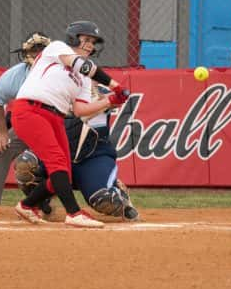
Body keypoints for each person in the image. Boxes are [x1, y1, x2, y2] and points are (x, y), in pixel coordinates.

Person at [10, 20, 128, 228]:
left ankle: (27, 205)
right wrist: (115, 86)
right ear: (74, 37)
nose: (91, 45)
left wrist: (110, 100)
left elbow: (81, 111)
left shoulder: (83, 80)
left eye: (94, 42)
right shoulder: (57, 48)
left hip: (56, 117)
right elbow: (83, 65)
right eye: (87, 39)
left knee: (64, 170)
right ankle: (73, 213)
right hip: (31, 109)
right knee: (56, 161)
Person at [13, 85, 139, 222]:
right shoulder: (52, 91)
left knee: (104, 200)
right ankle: (42, 204)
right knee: (25, 163)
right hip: (58, 153)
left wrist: (103, 100)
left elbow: (113, 99)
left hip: (93, 159)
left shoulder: (100, 93)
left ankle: (120, 196)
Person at [0, 32, 52, 214]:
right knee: (1, 148)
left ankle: (42, 200)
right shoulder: (14, 75)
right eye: (34, 50)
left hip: (56, 124)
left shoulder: (60, 73)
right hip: (26, 124)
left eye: (42, 50)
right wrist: (2, 132)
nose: (38, 54)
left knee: (45, 160)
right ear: (25, 53)